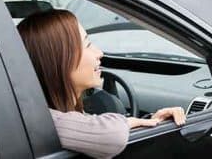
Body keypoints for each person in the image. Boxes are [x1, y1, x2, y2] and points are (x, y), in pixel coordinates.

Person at [17, 9, 186, 159]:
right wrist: (127, 122)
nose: (100, 52)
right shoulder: (40, 123)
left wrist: (150, 123)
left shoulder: (62, 114)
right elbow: (112, 135)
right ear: (59, 61)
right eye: (88, 44)